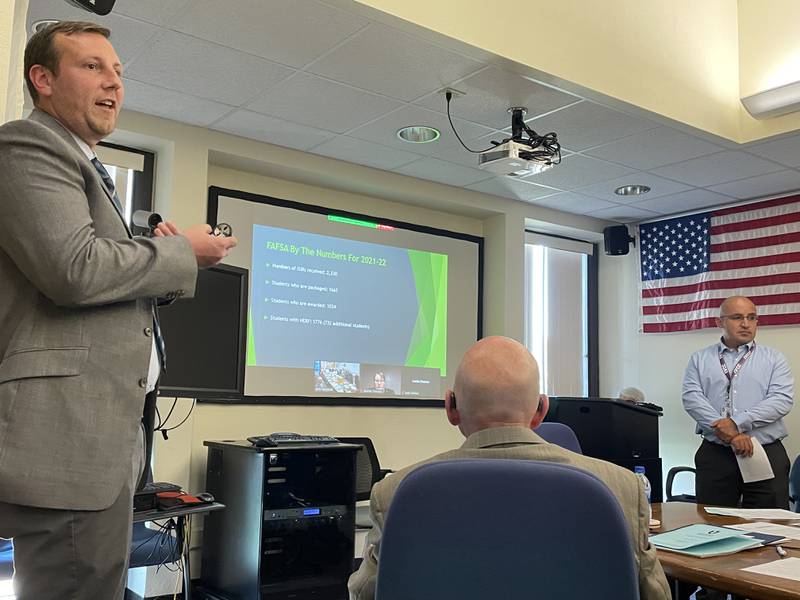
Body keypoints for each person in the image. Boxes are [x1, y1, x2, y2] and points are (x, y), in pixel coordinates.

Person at [0, 21, 237, 600]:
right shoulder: (29, 145)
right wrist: (182, 253)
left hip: (100, 440)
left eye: (119, 73)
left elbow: (86, 281)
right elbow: (73, 268)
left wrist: (163, 268)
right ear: (43, 79)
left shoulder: (84, 164)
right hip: (65, 435)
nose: (113, 83)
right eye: (92, 67)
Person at [348, 336, 670, 600]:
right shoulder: (622, 486)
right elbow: (653, 592)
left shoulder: (395, 492)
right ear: (541, 409)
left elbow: (366, 593)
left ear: (450, 407)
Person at [682, 295, 793, 508]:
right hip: (717, 454)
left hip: (765, 451)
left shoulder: (774, 359)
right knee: (713, 523)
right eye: (737, 317)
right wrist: (730, 434)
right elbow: (692, 398)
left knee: (771, 524)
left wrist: (736, 423)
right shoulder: (700, 359)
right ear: (720, 322)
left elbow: (781, 400)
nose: (746, 324)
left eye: (752, 318)